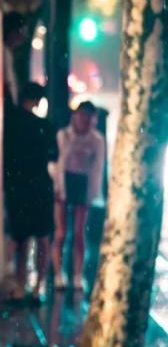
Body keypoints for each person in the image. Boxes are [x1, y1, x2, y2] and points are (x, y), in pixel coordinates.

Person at [3, 82, 59, 302]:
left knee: (22, 237)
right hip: (41, 186)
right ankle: (38, 286)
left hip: (18, 186)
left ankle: (19, 284)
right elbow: (53, 156)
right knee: (43, 236)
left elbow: (6, 158)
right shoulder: (45, 127)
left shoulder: (10, 124)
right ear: (37, 101)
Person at [52, 101, 105, 290]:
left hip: (83, 185)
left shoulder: (97, 140)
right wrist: (59, 188)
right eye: (81, 115)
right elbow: (59, 163)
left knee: (79, 234)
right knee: (61, 233)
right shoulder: (64, 135)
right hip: (64, 183)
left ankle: (77, 275)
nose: (84, 119)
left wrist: (92, 194)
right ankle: (59, 274)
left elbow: (97, 169)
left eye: (88, 116)